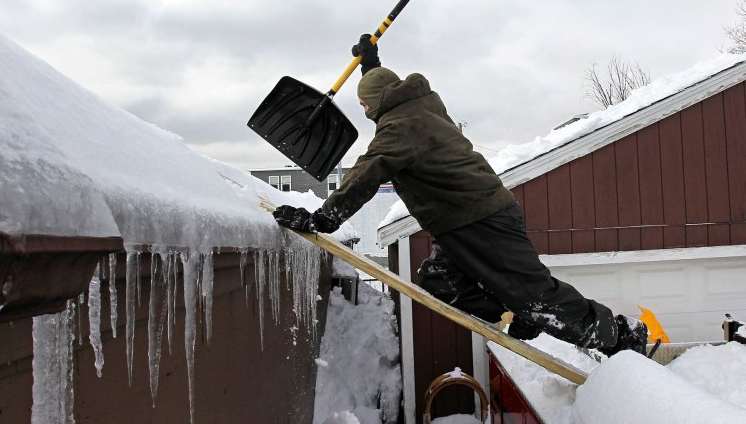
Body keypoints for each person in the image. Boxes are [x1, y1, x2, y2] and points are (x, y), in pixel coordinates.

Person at [273, 35, 647, 356]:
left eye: (365, 104)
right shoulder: (421, 105)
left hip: (482, 219)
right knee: (440, 281)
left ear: (377, 102)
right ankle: (518, 315)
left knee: (538, 298)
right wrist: (371, 65)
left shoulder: (400, 128)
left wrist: (323, 219)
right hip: (459, 222)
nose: (365, 110)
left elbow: (367, 172)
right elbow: (383, 92)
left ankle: (622, 336)